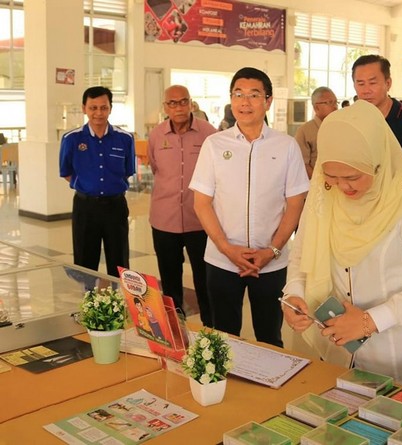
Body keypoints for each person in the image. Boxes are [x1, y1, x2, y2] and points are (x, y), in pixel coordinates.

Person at [282, 100, 402, 392]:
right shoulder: (325, 190)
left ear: (379, 159)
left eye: (353, 177)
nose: (343, 187)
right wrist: (294, 294)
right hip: (337, 353)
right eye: (333, 177)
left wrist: (370, 321)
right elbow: (302, 252)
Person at [190, 67, 309, 347]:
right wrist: (226, 248)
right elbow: (202, 203)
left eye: (254, 95)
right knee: (223, 338)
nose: (245, 102)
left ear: (268, 101)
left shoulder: (286, 146)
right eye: (238, 94)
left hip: (271, 262)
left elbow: (295, 204)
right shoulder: (214, 145)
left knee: (270, 337)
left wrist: (273, 250)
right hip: (222, 260)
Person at [147, 85, 217, 325]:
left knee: (205, 280)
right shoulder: (156, 135)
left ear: (191, 103)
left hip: (201, 220)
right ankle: (174, 329)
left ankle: (211, 331)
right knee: (169, 281)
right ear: (165, 107)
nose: (179, 107)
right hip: (164, 220)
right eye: (173, 103)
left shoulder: (208, 134)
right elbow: (155, 167)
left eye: (183, 101)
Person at [59, 86, 135, 277]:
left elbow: (127, 171)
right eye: (93, 108)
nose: (98, 113)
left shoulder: (125, 138)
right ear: (84, 108)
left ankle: (117, 296)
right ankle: (87, 296)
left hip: (115, 207)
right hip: (85, 208)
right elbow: (66, 172)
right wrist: (88, 185)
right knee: (85, 262)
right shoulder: (71, 139)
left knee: (119, 261)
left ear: (110, 108)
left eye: (103, 107)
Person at [352, 55, 402, 150]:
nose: (366, 90)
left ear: (388, 83)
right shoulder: (350, 119)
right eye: (361, 84)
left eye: (372, 83)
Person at [295, 86, 338, 178]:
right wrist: (321, 181)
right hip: (317, 182)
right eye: (330, 102)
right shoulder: (305, 131)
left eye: (336, 102)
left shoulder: (340, 128)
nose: (335, 107)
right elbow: (303, 164)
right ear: (316, 107)